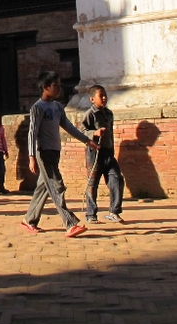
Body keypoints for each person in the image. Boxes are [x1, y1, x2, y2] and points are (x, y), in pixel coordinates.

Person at [21, 71, 98, 238]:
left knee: (44, 187)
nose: (58, 89)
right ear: (45, 87)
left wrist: (86, 140)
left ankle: (29, 219)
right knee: (57, 187)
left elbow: (68, 126)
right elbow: (32, 133)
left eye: (59, 85)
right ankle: (70, 223)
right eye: (55, 86)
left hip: (55, 152)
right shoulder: (37, 108)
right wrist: (31, 157)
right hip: (44, 153)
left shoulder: (57, 107)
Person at [81, 85, 124, 224]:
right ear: (92, 99)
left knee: (116, 179)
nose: (104, 98)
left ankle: (114, 211)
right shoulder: (90, 114)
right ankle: (91, 213)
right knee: (92, 184)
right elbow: (82, 131)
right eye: (101, 96)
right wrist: (94, 133)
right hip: (95, 153)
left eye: (105, 95)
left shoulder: (109, 114)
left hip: (108, 153)